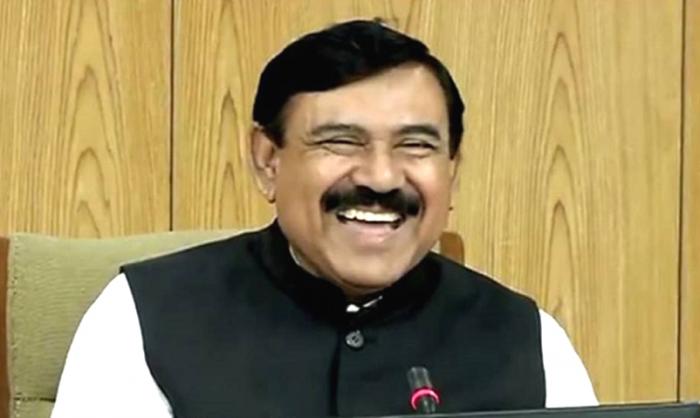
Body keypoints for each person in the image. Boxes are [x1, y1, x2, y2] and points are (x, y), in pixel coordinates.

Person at [51, 19, 597, 418]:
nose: (381, 177)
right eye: (340, 141)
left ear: (451, 170)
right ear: (268, 161)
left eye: (415, 145)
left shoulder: (529, 340)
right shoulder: (143, 317)